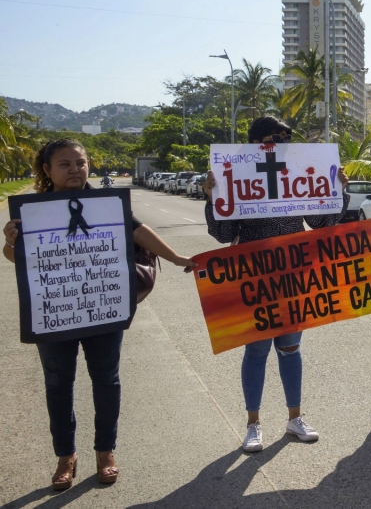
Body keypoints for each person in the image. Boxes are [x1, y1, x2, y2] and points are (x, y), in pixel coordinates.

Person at [3, 139, 196, 490]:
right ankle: (66, 455)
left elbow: (139, 232)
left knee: (106, 379)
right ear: (47, 170)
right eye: (65, 164)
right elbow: (22, 261)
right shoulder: (31, 210)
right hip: (55, 311)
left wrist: (178, 258)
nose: (75, 169)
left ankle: (105, 451)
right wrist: (11, 242)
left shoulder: (106, 204)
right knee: (58, 383)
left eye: (80, 162)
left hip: (102, 307)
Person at [204, 116, 347, 451]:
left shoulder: (298, 173)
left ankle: (295, 418)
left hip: (294, 273)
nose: (282, 141)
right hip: (254, 274)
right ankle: (253, 425)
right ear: (254, 143)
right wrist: (212, 198)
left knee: (290, 348)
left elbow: (320, 222)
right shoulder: (234, 176)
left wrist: (338, 189)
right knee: (256, 349)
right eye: (274, 136)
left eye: (288, 136)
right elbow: (224, 235)